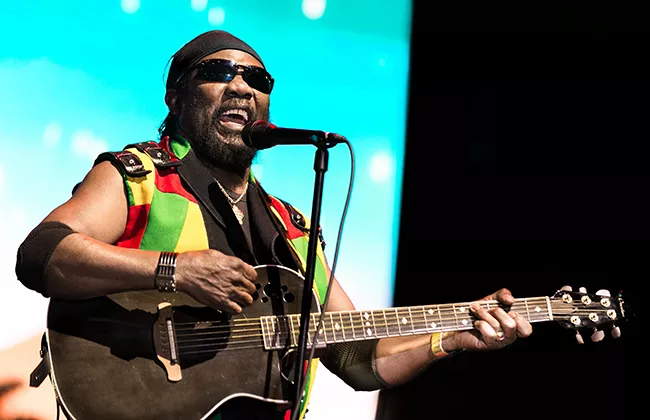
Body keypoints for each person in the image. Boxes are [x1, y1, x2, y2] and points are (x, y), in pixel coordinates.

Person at [15, 30, 533, 420]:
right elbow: (42, 253)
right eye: (219, 72)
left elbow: (358, 357)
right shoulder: (141, 177)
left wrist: (452, 337)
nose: (242, 87)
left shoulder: (292, 227)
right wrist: (175, 270)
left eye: (258, 80)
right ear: (176, 96)